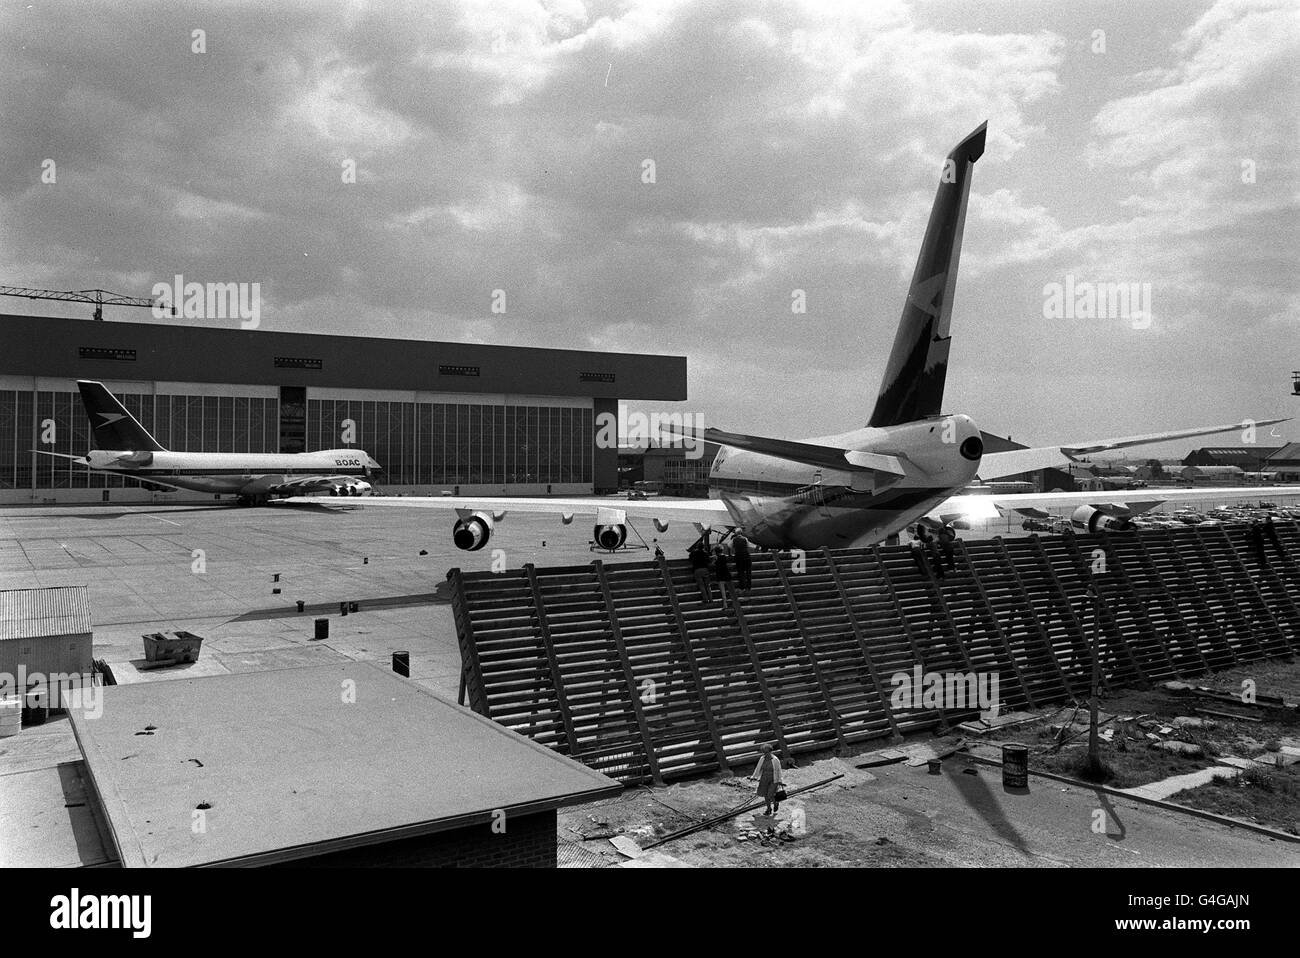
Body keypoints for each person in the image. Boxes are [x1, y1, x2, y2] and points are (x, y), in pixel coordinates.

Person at [749, 743, 783, 816]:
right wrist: (753, 777)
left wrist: (780, 781)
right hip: (764, 778)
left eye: (766, 752)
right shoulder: (762, 758)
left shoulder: (775, 760)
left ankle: (775, 802)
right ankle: (768, 809)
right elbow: (758, 768)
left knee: (770, 794)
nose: (765, 754)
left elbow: (779, 770)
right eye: (764, 752)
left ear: (771, 751)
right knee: (765, 795)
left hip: (774, 779)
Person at [713, 545, 734, 609]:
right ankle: (733, 603)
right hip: (727, 574)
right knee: (731, 590)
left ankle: (725, 605)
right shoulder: (724, 556)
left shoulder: (716, 557)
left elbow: (713, 563)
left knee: (723, 591)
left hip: (720, 575)